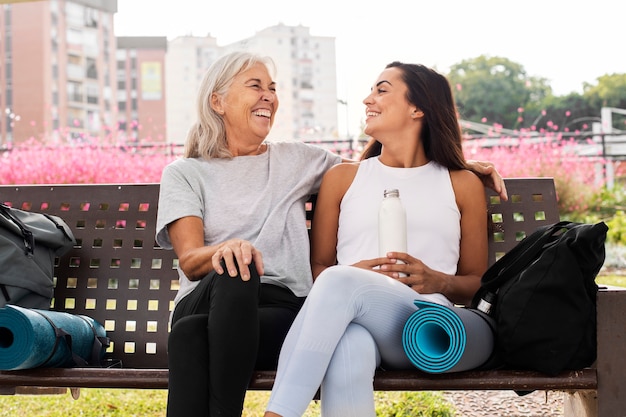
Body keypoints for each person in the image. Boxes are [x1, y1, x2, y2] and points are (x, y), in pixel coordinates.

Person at [156, 51, 505, 417]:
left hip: (291, 310)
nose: (269, 96)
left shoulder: (298, 160)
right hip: (216, 296)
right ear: (218, 101)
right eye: (255, 86)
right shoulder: (185, 173)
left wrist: (456, 163)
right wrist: (228, 249)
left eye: (272, 88)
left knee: (191, 335)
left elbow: (397, 169)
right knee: (233, 279)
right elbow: (191, 259)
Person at [264, 62, 489, 417]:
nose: (368, 99)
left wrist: (437, 279)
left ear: (418, 108)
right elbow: (319, 268)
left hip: (421, 325)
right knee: (347, 348)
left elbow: (476, 281)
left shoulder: (461, 184)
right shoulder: (343, 179)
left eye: (382, 90)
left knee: (340, 280)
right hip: (352, 321)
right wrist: (356, 275)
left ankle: (277, 414)